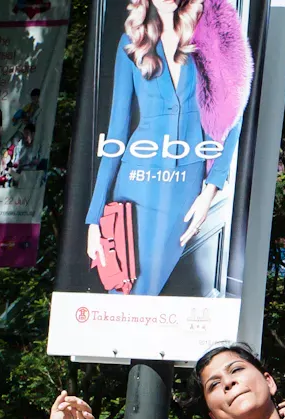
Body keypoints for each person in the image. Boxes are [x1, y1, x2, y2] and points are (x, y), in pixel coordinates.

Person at [84, 0, 252, 296]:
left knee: (146, 293)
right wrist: (94, 217)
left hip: (184, 188)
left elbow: (233, 115)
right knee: (124, 292)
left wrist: (210, 189)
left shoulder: (207, 35)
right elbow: (116, 133)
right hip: (135, 183)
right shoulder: (131, 41)